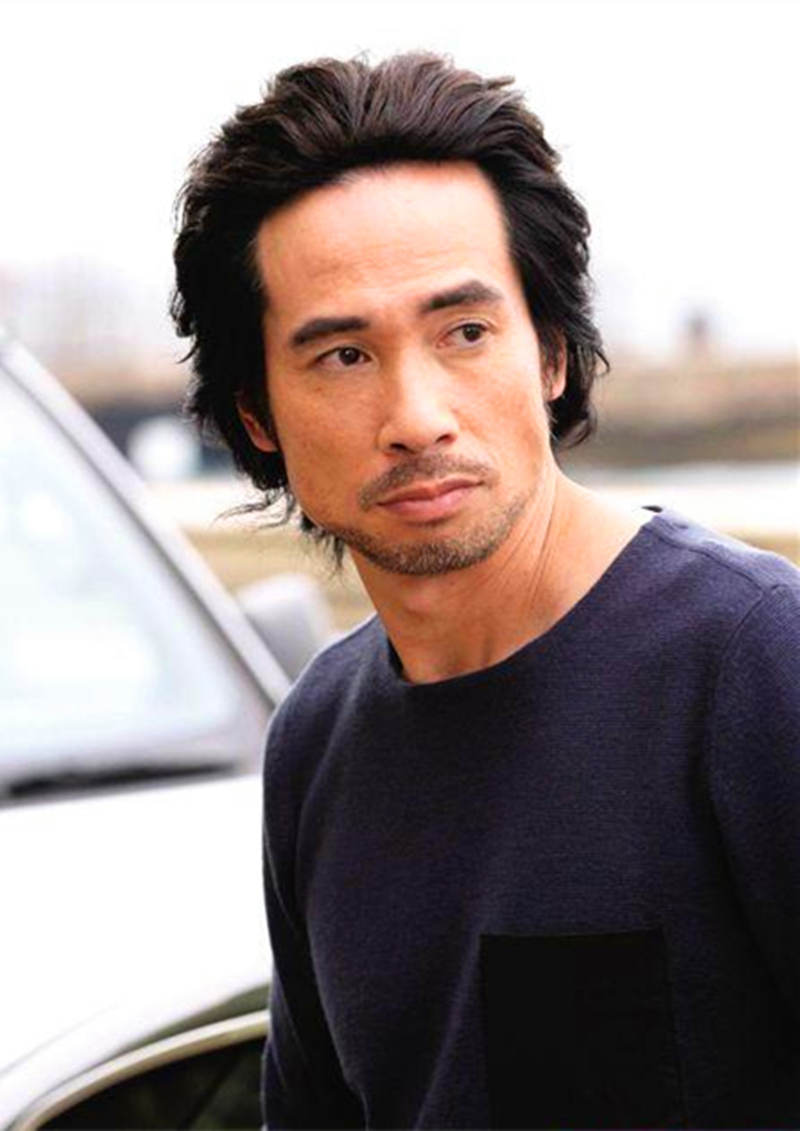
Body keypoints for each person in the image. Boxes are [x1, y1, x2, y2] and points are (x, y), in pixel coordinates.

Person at [171, 52, 800, 1130]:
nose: (417, 417)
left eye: (464, 332)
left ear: (550, 353)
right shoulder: (316, 739)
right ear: (257, 417)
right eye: (342, 356)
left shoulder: (750, 663)